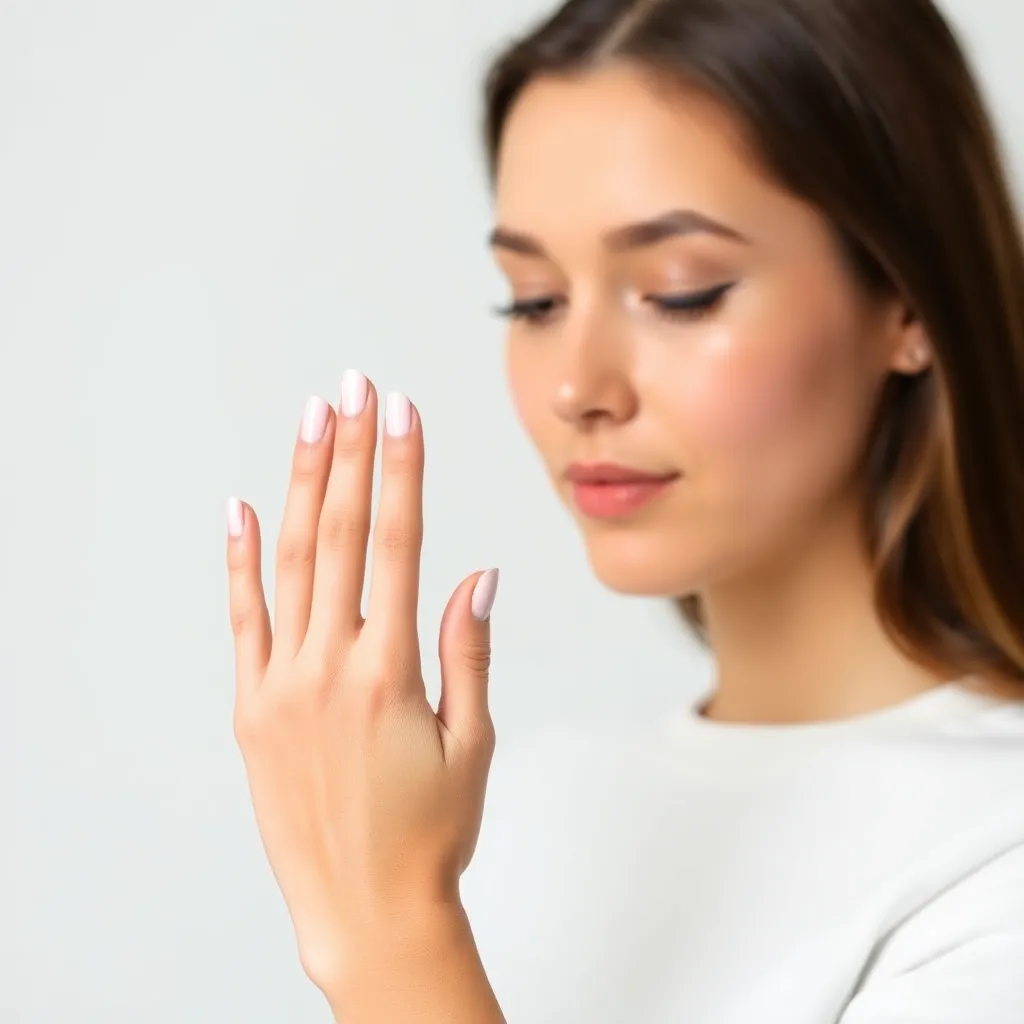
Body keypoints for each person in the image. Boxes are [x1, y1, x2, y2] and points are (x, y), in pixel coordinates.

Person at [224, 0, 1024, 1021]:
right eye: (534, 300)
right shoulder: (512, 808)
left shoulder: (992, 847)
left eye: (678, 291)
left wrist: (390, 934)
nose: (578, 386)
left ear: (907, 302)